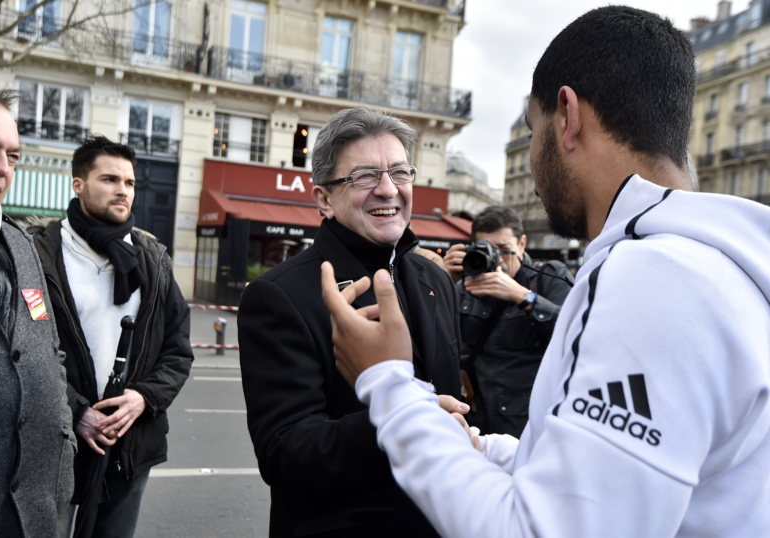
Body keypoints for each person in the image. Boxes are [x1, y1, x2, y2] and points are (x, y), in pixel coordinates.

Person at [319, 7, 770, 538]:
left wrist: (387, 383)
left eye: (533, 132)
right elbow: (604, 482)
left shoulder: (654, 279)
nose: (531, 159)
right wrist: (482, 447)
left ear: (567, 115)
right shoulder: (712, 265)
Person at [238, 107, 462, 537]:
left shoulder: (434, 277)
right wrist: (409, 420)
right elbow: (285, 452)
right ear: (324, 198)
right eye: (364, 177)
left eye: (400, 172)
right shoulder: (279, 294)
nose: (387, 189)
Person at [32, 136, 194, 538]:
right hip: (56, 440)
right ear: (78, 184)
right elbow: (25, 353)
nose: (123, 190)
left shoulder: (152, 258)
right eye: (109, 179)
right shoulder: (38, 254)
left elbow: (177, 350)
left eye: (130, 182)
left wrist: (143, 399)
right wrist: (76, 411)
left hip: (129, 443)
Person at [0, 87, 75, 537]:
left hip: (33, 515)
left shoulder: (20, 245)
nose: (1, 167)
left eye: (12, 155)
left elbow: (47, 351)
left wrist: (62, 447)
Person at [445, 206, 572, 437]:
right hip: (475, 421)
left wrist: (522, 296)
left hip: (529, 425)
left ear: (522, 244)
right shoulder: (465, 285)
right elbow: (443, 344)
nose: (498, 260)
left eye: (505, 250)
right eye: (488, 250)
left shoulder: (549, 277)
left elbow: (575, 337)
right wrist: (444, 280)